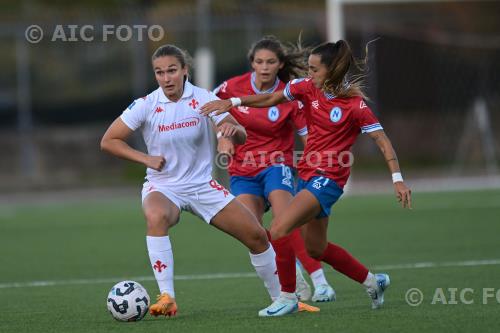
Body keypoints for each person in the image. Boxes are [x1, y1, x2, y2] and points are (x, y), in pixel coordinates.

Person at [201, 39, 412, 317]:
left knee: (278, 229)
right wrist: (233, 101)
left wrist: (397, 178)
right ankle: (373, 281)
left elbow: (382, 141)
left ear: (332, 70)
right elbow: (270, 98)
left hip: (330, 179)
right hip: (308, 175)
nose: (308, 74)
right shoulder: (306, 88)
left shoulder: (355, 105)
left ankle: (288, 297)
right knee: (316, 248)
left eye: (314, 69)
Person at [100, 44, 285, 318]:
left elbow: (237, 132)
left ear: (184, 70)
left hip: (201, 186)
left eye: (172, 70)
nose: (166, 78)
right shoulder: (146, 104)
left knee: (257, 236)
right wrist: (145, 159)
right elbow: (108, 141)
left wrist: (229, 134)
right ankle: (168, 297)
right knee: (156, 215)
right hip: (163, 186)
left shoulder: (203, 98)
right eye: (159, 72)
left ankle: (282, 298)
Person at [214, 36, 335, 303]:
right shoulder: (231, 88)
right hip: (242, 169)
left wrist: (319, 165)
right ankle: (293, 279)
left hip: (275, 165)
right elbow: (209, 110)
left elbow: (308, 136)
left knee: (285, 221)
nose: (265, 67)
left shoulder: (289, 95)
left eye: (270, 62)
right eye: (259, 61)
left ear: (280, 64)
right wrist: (223, 136)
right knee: (252, 232)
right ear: (252, 64)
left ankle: (321, 282)